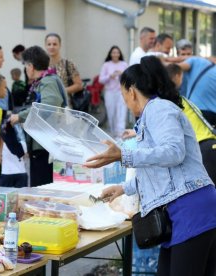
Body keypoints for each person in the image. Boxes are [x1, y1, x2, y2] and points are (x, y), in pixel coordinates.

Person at [85, 56, 216, 276]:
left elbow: (174, 152)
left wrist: (124, 155)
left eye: (122, 93)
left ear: (132, 91)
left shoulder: (158, 109)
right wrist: (123, 188)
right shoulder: (152, 114)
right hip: (187, 211)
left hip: (191, 211)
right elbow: (161, 168)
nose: (124, 100)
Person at [10, 46, 67, 186]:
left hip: (45, 146)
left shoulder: (48, 81)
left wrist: (20, 116)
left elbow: (49, 106)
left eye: (25, 65)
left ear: (30, 66)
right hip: (44, 144)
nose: (25, 69)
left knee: (42, 189)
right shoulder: (47, 80)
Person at [166, 63, 216, 183]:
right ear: (177, 76)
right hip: (208, 145)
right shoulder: (182, 101)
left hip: (202, 149)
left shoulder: (170, 103)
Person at [44, 33, 83, 107]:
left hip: (64, 106)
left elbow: (79, 85)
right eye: (49, 44)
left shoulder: (68, 63)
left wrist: (62, 91)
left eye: (55, 44)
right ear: (45, 46)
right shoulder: (42, 65)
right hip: (46, 107)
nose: (52, 47)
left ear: (60, 45)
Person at [99, 45, 129, 139]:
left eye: (117, 52)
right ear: (110, 54)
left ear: (119, 54)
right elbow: (101, 80)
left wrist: (122, 74)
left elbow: (129, 77)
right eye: (114, 52)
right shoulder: (106, 65)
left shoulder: (124, 64)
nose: (115, 54)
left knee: (121, 113)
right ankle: (113, 133)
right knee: (111, 113)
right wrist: (110, 76)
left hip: (121, 93)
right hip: (110, 92)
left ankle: (120, 135)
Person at [177, 56, 216, 125]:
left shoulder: (196, 61)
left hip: (194, 112)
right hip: (210, 115)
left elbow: (174, 68)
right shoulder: (197, 61)